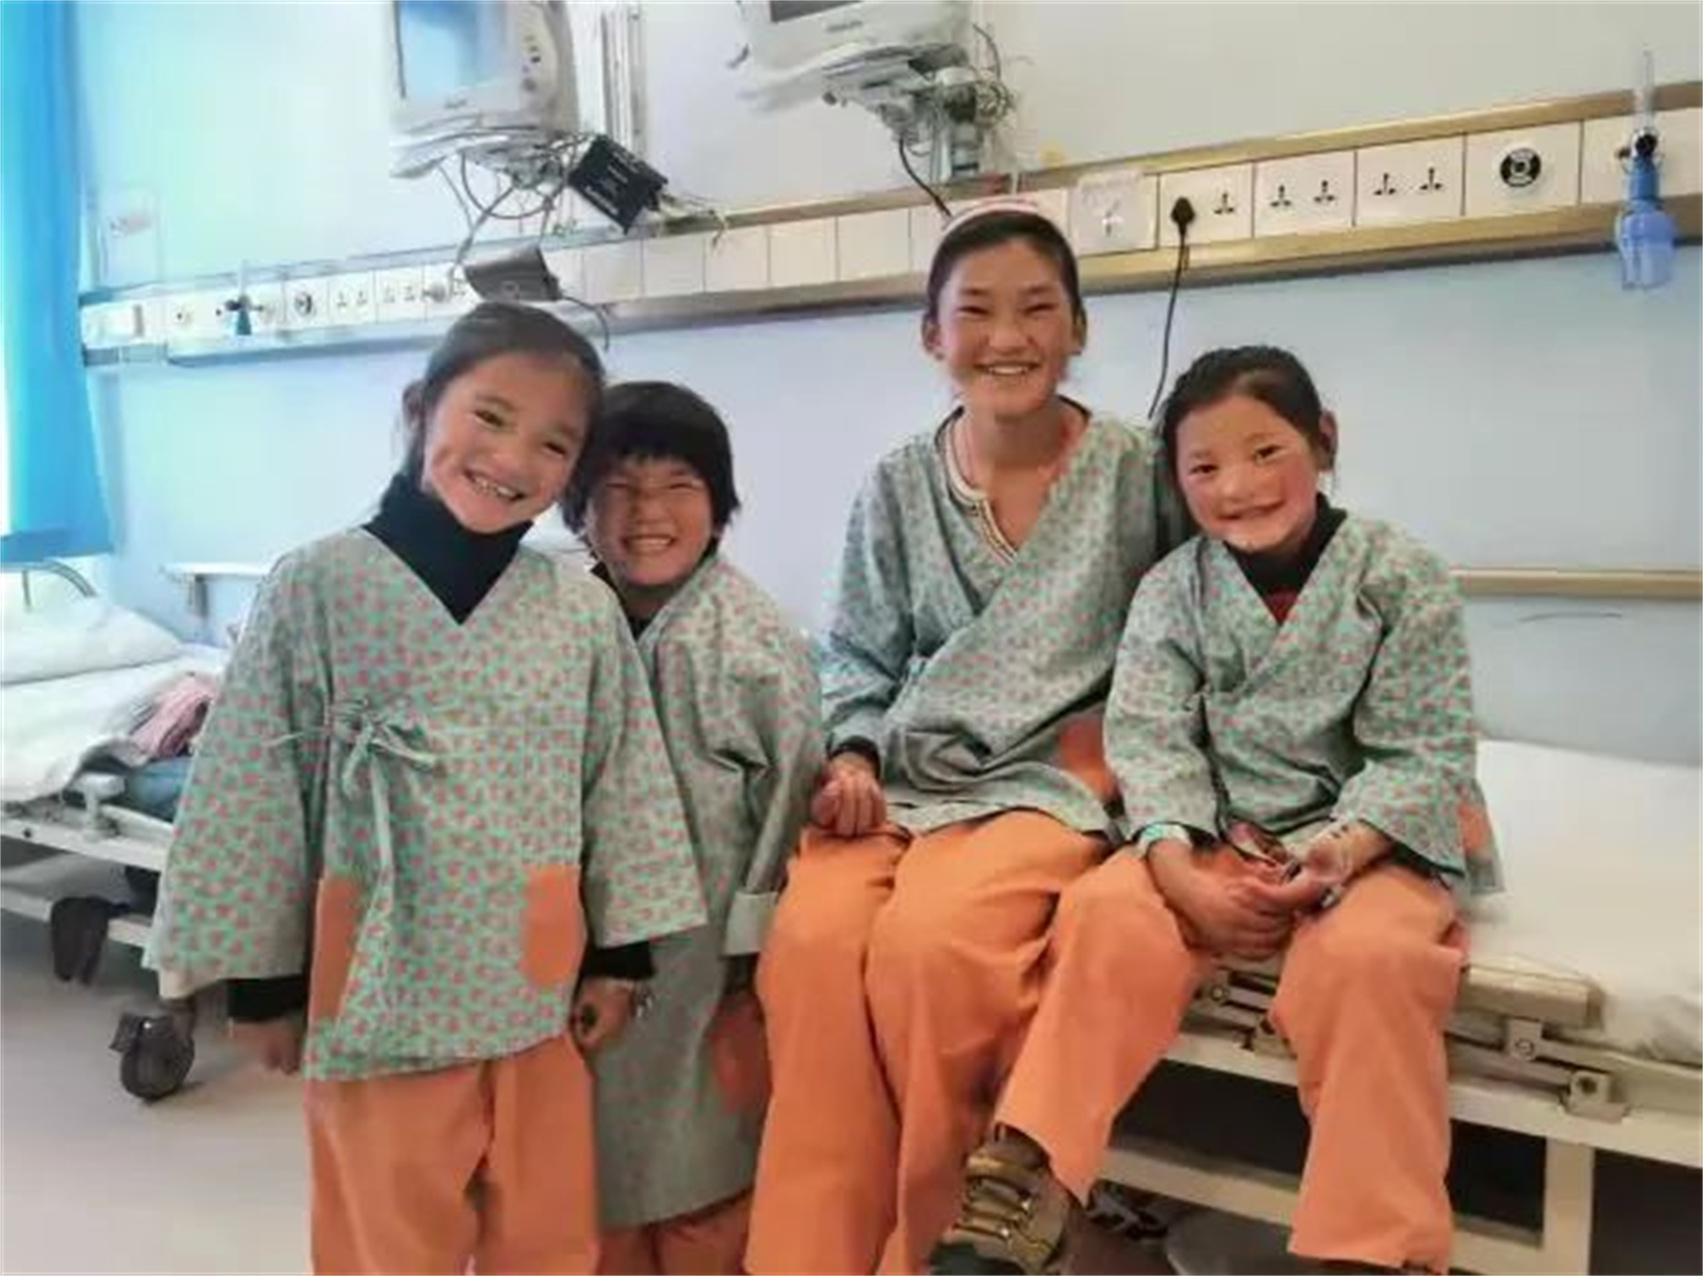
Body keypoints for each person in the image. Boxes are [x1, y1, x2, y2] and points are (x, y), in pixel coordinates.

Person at [145, 302, 707, 1275]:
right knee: (387, 1244)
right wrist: (265, 985)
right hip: (375, 1000)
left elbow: (621, 782)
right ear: (419, 408)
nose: (513, 457)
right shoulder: (314, 588)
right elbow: (252, 791)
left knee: (550, 1240)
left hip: (533, 999)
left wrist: (620, 958)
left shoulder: (578, 609)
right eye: (489, 417)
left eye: (553, 443)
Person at [745, 199, 1186, 1276]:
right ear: (931, 336)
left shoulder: (1139, 473)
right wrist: (852, 752)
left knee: (932, 953)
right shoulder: (899, 486)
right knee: (810, 947)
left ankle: (939, 1250)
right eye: (975, 311)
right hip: (907, 776)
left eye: (1036, 308)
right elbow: (855, 653)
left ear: (1077, 327)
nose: (1006, 337)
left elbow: (1199, 627)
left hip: (1056, 779)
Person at [1103, 345, 1502, 1274]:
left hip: (1376, 834)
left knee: (1368, 960)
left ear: (1322, 441)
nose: (1236, 487)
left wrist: (1342, 850)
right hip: (1224, 829)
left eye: (1264, 452)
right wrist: (1173, 865)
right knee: (1097, 913)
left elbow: (1422, 748)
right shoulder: (1172, 591)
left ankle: (1374, 1252)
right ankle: (1029, 1169)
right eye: (1204, 467)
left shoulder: (1399, 576)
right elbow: (1150, 739)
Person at [561, 381, 822, 1275]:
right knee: (579, 1175)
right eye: (618, 489)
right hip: (576, 944)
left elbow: (790, 796)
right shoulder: (556, 625)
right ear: (577, 507)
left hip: (707, 958)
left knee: (705, 1165)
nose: (648, 514)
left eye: (678, 486)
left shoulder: (751, 640)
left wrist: (753, 957)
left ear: (718, 505)